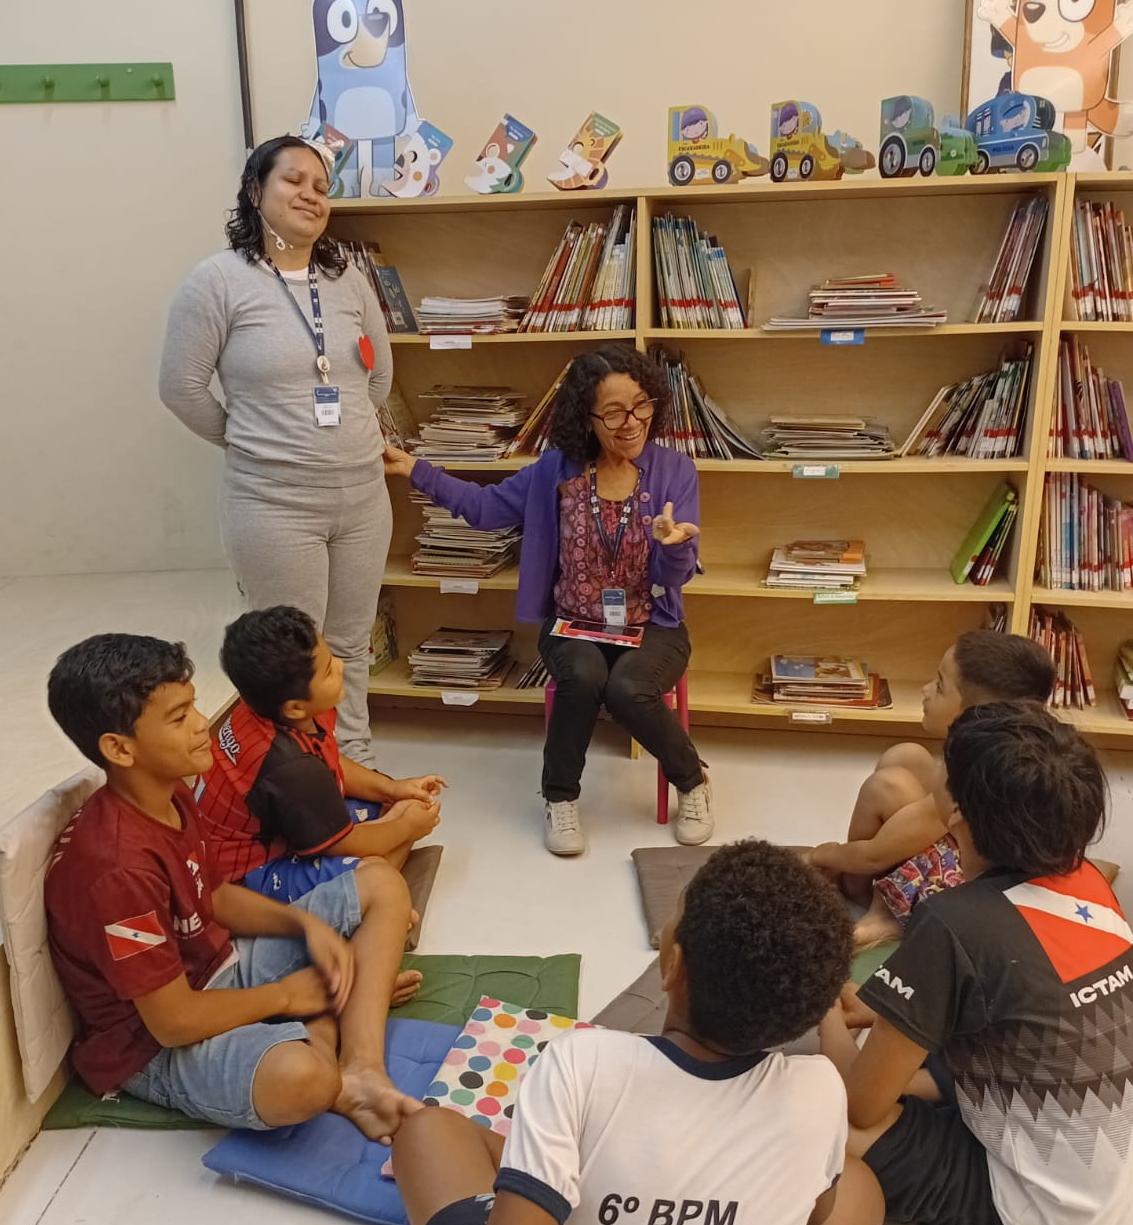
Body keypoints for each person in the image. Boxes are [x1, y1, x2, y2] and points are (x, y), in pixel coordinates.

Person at [44, 633, 422, 1142]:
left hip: (218, 968)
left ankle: (362, 1068)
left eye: (194, 706)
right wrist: (288, 995)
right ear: (119, 748)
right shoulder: (117, 869)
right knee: (303, 1080)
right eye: (179, 718)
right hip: (152, 1046)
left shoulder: (168, 790)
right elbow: (173, 1022)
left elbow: (216, 896)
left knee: (381, 882)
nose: (202, 723)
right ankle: (333, 1017)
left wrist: (304, 926)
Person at [391, 840, 876, 1225]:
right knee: (857, 1185)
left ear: (673, 965)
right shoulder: (820, 1088)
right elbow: (817, 1213)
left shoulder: (582, 1062)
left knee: (426, 1130)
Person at [384, 346, 710, 855]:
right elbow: (486, 509)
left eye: (641, 405)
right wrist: (416, 469)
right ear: (586, 417)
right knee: (582, 677)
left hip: (653, 624)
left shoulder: (674, 470)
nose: (631, 423)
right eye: (614, 412)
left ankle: (692, 780)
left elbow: (676, 577)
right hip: (574, 622)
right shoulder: (555, 470)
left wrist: (675, 547)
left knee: (628, 689)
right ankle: (560, 797)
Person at [819, 701, 1133, 1225]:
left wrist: (824, 1001)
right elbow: (1025, 998)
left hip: (1031, 1207)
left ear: (956, 813)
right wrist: (885, 1011)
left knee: (824, 1117)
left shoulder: (952, 922)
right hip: (1113, 1188)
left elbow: (860, 1105)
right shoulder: (1091, 884)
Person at [159, 134, 394, 769]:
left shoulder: (347, 280)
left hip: (363, 497)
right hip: (273, 502)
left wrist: (344, 436)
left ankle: (352, 762)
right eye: (294, 180)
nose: (311, 195)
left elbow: (378, 378)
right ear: (255, 191)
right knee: (292, 655)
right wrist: (250, 440)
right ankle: (294, 777)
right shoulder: (217, 281)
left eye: (321, 186)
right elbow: (180, 387)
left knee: (349, 645)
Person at [807, 631, 1054, 932]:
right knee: (906, 756)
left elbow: (874, 855)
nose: (925, 690)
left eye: (939, 686)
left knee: (885, 786)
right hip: (985, 866)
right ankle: (857, 885)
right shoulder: (1013, 745)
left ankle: (874, 905)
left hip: (967, 891)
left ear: (974, 713)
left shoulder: (969, 777)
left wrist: (820, 854)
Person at [196, 606, 446, 902]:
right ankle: (362, 900)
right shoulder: (291, 765)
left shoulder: (275, 709)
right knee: (376, 873)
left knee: (391, 800)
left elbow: (330, 762)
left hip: (278, 824)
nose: (340, 666)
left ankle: (386, 840)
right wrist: (406, 828)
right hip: (243, 880)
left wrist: (392, 788)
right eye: (328, 671)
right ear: (295, 707)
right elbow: (340, 843)